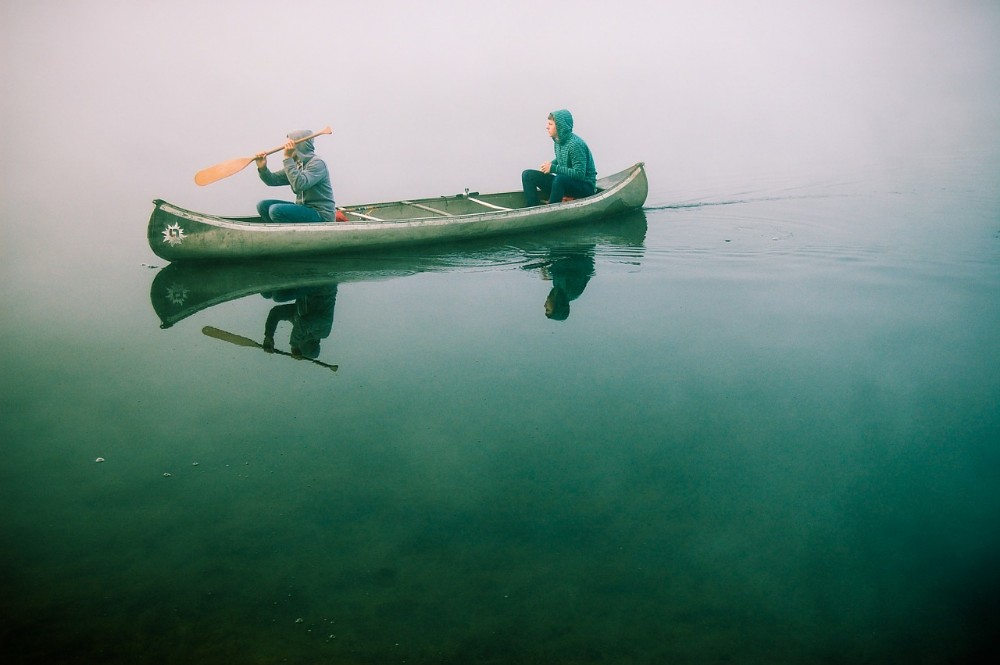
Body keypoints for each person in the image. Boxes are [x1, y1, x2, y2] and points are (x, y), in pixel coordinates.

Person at [255, 129, 336, 222]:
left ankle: (289, 234)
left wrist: (287, 158)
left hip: (321, 214)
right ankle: (278, 233)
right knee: (263, 206)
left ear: (300, 146)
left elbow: (299, 185)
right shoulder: (297, 165)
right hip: (304, 208)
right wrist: (262, 168)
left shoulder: (317, 163)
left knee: (276, 210)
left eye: (289, 145)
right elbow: (272, 180)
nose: (285, 148)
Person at [522, 109, 597, 207]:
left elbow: (579, 174)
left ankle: (550, 209)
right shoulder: (558, 141)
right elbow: (561, 158)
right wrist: (550, 165)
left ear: (560, 126)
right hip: (567, 183)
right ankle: (531, 208)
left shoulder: (575, 145)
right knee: (527, 175)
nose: (547, 127)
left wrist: (553, 168)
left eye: (550, 124)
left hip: (585, 186)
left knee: (559, 179)